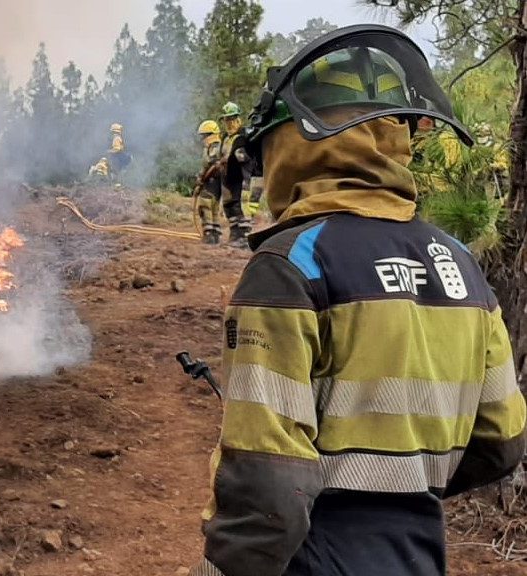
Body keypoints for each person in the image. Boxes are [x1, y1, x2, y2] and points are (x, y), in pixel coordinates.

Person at [191, 24, 527, 576]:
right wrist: (402, 493)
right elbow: (501, 439)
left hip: (312, 555)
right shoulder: (460, 264)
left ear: (295, 144)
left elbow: (269, 483)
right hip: (416, 551)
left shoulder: (290, 264)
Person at [219, 102, 254, 247]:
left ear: (238, 119)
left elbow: (245, 156)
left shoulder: (243, 136)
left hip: (241, 176)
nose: (229, 123)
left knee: (241, 204)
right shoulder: (225, 138)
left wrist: (231, 158)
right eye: (227, 119)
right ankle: (235, 234)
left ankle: (245, 237)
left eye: (232, 119)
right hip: (227, 178)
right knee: (229, 204)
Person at [195, 120, 224, 244]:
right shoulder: (218, 146)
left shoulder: (214, 147)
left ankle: (209, 234)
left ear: (210, 135)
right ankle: (215, 233)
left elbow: (209, 163)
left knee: (205, 205)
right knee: (214, 207)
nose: (203, 139)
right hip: (217, 182)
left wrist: (200, 179)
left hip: (211, 181)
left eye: (204, 136)